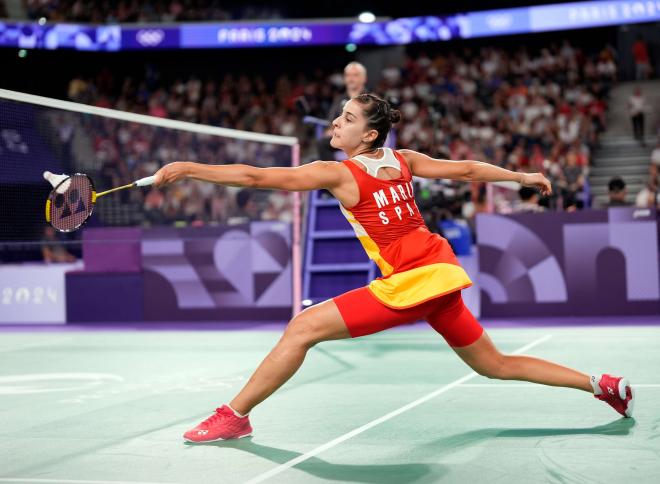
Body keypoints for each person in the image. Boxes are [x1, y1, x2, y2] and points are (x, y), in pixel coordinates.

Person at [154, 93, 633, 443]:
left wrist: (191, 168)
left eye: (346, 118)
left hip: (412, 283)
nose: (335, 124)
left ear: (368, 134)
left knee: (302, 328)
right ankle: (602, 385)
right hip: (438, 277)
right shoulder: (404, 160)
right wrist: (521, 176)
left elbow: (256, 178)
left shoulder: (338, 172)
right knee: (495, 364)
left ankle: (235, 414)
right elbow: (466, 169)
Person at [317, 62, 368, 161]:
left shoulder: (371, 99)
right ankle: (332, 174)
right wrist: (331, 130)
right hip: (342, 135)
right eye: (348, 75)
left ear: (364, 78)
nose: (351, 78)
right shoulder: (339, 99)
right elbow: (331, 121)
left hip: (361, 136)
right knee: (322, 143)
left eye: (355, 75)